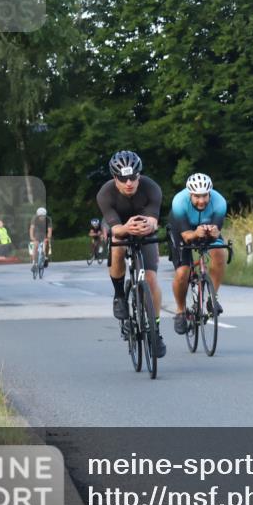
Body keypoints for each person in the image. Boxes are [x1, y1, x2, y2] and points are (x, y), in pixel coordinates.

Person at [96, 150, 166, 358]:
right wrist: (126, 228)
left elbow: (153, 220)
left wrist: (147, 225)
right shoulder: (105, 193)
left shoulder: (151, 187)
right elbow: (115, 229)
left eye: (133, 177)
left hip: (144, 228)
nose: (129, 182)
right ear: (114, 178)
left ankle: (156, 330)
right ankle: (119, 296)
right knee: (117, 245)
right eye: (123, 178)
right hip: (119, 226)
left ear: (139, 175)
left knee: (151, 278)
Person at [168, 173, 229, 335]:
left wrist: (214, 232)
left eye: (204, 196)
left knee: (219, 253)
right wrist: (196, 233)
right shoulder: (179, 202)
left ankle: (212, 298)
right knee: (183, 272)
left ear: (210, 193)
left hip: (206, 227)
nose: (201, 201)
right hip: (183, 230)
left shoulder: (220, 202)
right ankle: (180, 311)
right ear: (190, 194)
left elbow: (217, 231)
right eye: (197, 197)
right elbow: (187, 236)